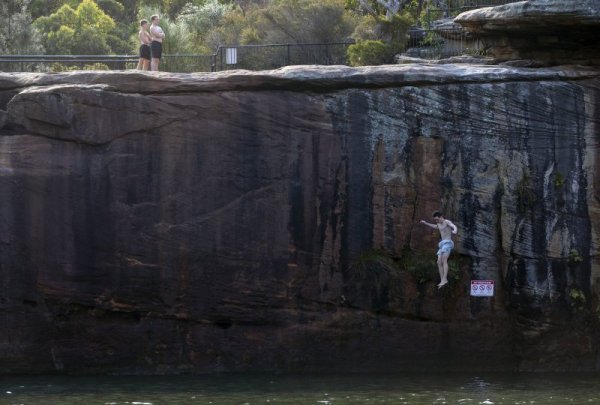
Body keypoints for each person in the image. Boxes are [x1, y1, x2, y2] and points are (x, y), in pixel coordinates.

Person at [420, 211, 458, 288]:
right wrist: (425, 223)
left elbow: (453, 225)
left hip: (448, 243)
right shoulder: (438, 224)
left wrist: (455, 230)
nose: (436, 221)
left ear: (441, 217)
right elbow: (435, 226)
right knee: (438, 262)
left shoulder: (446, 221)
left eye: (437, 219)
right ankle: (442, 280)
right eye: (435, 220)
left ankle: (445, 279)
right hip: (442, 244)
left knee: (444, 260)